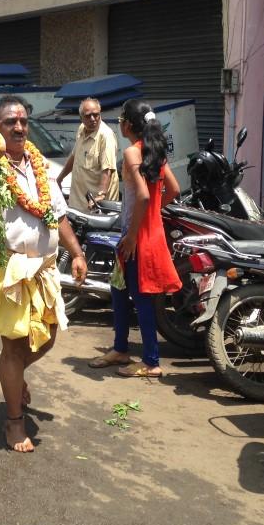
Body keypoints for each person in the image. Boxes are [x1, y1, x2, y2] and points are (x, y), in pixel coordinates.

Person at [0, 95, 87, 452]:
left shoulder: (42, 167)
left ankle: (15, 374)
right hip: (7, 267)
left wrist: (77, 252)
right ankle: (14, 422)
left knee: (48, 336)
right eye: (10, 122)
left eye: (23, 121)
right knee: (14, 342)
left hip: (44, 267)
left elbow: (58, 215)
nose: (19, 127)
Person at [88, 100, 181, 377]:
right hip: (143, 234)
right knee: (118, 291)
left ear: (127, 124)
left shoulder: (132, 153)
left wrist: (132, 234)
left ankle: (151, 362)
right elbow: (173, 190)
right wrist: (152, 212)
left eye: (120, 120)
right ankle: (120, 349)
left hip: (135, 238)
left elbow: (141, 195)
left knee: (140, 299)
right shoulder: (154, 152)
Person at [56, 97, 119, 210]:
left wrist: (101, 195)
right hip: (78, 201)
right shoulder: (82, 129)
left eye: (96, 115)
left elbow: (107, 170)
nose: (93, 119)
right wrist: (59, 179)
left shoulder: (106, 136)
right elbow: (75, 156)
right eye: (88, 116)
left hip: (95, 205)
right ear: (81, 118)